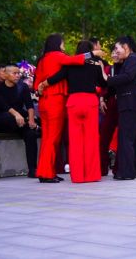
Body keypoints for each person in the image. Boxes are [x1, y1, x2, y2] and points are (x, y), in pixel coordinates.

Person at [33, 34, 102, 183]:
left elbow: (36, 82)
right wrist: (92, 54)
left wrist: (41, 86)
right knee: (53, 138)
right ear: (57, 44)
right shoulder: (57, 56)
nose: (64, 46)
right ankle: (46, 173)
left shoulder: (42, 59)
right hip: (55, 100)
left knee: (46, 138)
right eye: (63, 43)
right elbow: (74, 60)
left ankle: (46, 170)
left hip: (44, 100)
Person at [106, 36, 136, 180]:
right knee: (132, 138)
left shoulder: (133, 59)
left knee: (126, 139)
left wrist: (107, 79)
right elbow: (121, 78)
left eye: (117, 48)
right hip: (130, 103)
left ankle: (127, 172)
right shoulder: (127, 61)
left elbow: (127, 77)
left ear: (126, 47)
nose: (115, 52)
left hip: (130, 103)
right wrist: (116, 64)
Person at [0, 64, 38, 178]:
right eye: (14, 73)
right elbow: (3, 106)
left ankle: (32, 169)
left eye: (18, 73)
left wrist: (31, 120)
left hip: (20, 121)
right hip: (3, 120)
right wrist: (17, 115)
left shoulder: (23, 87)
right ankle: (28, 124)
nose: (17, 76)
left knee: (31, 134)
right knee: (9, 118)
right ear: (6, 75)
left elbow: (29, 105)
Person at [99, 48, 121, 176]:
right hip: (110, 103)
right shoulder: (108, 69)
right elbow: (103, 85)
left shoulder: (126, 67)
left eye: (117, 52)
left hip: (123, 102)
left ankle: (118, 167)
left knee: (122, 136)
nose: (115, 55)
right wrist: (102, 98)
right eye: (113, 53)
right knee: (104, 135)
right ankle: (102, 167)